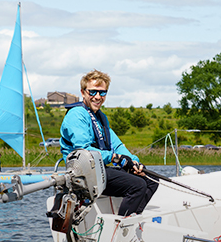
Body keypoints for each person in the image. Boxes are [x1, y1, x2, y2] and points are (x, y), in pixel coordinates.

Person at [60, 70, 158, 217]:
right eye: (93, 92)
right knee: (138, 186)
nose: (97, 97)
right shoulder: (76, 115)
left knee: (151, 180)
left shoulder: (100, 117)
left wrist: (134, 162)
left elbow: (117, 145)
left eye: (102, 92)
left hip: (99, 170)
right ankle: (120, 224)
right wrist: (114, 158)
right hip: (83, 175)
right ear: (83, 92)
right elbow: (84, 152)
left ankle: (132, 218)